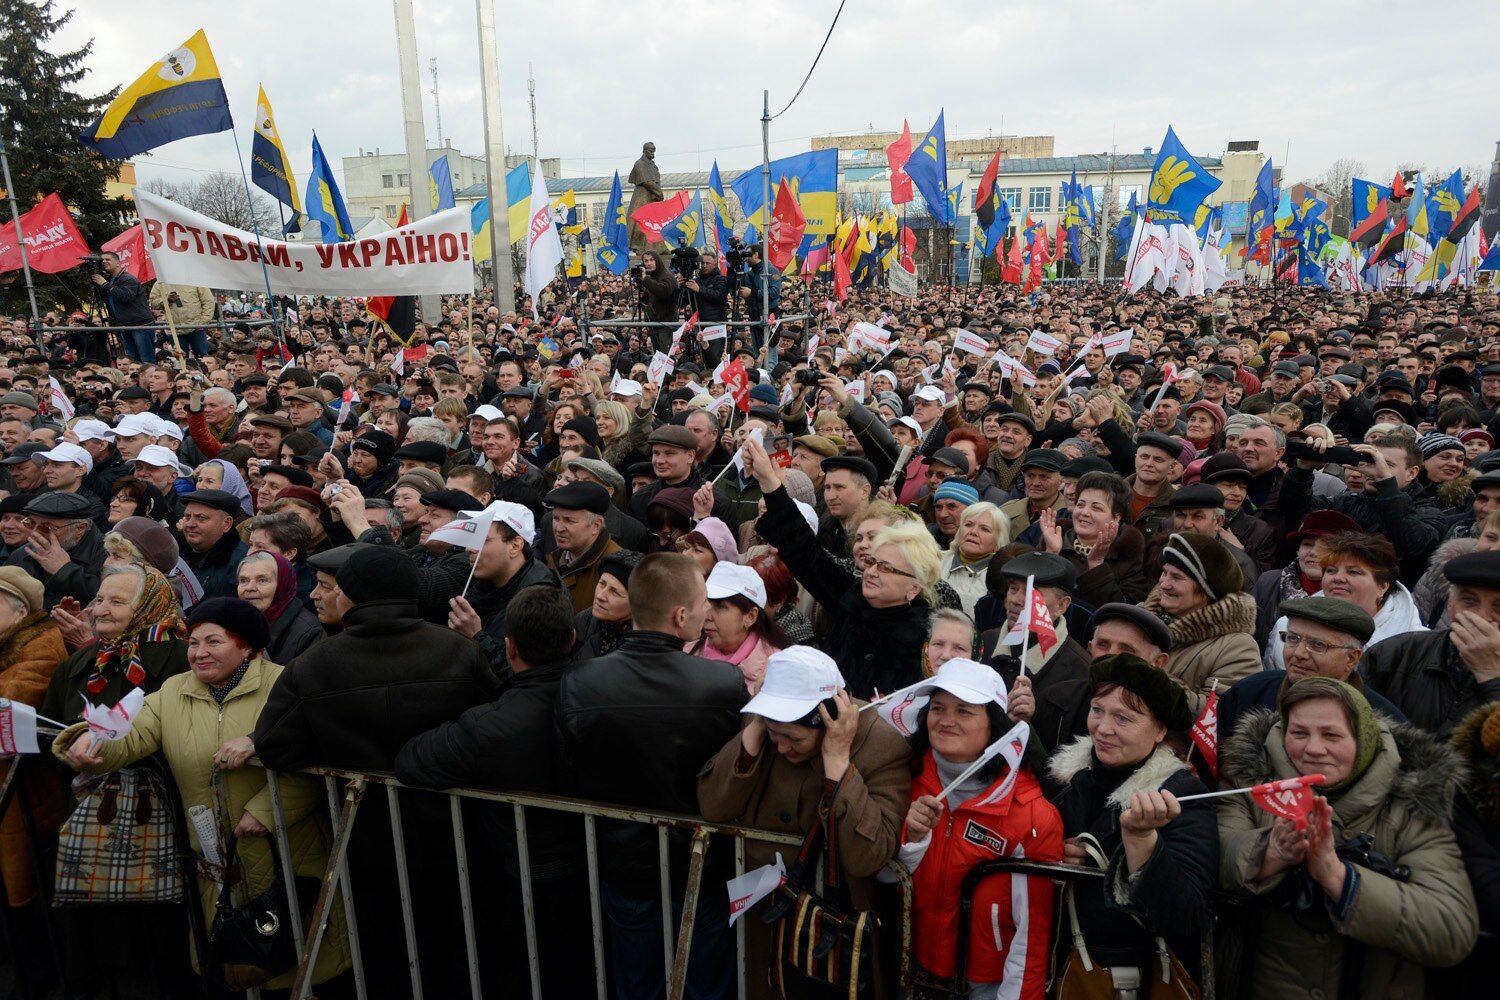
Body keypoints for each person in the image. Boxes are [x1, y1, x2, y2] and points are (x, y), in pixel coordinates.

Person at [56, 597, 353, 993]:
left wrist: (266, 811)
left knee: (296, 965)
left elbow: (314, 754)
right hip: (215, 864)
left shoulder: (284, 683)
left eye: (214, 642)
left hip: (286, 853)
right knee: (235, 967)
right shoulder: (175, 690)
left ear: (246, 646)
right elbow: (131, 732)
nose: (199, 653)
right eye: (194, 643)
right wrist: (89, 743)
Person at [254, 545, 500, 999]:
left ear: (352, 595)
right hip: (453, 834)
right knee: (455, 950)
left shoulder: (315, 664)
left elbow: (274, 745)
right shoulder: (457, 651)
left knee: (382, 954)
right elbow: (490, 725)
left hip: (363, 836)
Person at [557, 552, 746, 1000]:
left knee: (636, 981)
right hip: (698, 865)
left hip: (624, 863)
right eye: (704, 603)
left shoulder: (582, 681)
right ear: (681, 614)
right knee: (703, 983)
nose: (707, 614)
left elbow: (569, 768)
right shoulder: (722, 683)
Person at [1215, 678, 1479, 997]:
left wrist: (1339, 877)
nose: (1313, 748)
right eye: (1298, 733)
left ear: (1363, 739)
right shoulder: (1253, 782)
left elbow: (1450, 930)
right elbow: (1216, 857)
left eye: (1331, 735)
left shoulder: (1412, 804)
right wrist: (1270, 852)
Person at [395, 586, 594, 996]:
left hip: (523, 875)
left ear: (510, 646)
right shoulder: (601, 698)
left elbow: (412, 761)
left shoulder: (486, 725)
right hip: (591, 865)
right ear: (572, 639)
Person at [697, 646, 911, 1000]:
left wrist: (839, 765)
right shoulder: (766, 727)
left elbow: (867, 855)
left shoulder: (881, 745)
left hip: (833, 932)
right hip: (764, 919)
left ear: (827, 721)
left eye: (793, 739)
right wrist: (755, 733)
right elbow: (713, 805)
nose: (781, 748)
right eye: (775, 735)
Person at [896, 658, 1062, 999]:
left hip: (987, 985)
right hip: (910, 971)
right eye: (938, 708)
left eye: (964, 711)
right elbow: (883, 880)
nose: (946, 721)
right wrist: (912, 839)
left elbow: (1032, 937)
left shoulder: (1031, 815)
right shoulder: (903, 780)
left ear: (995, 725)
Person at [1047, 654, 1217, 985]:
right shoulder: (1061, 776)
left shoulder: (1182, 796)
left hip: (1127, 978)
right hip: (1050, 965)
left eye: (1123, 718)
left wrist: (1141, 842)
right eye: (1097, 710)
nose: (1103, 728)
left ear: (1160, 731)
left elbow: (1184, 914)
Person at [746, 435, 940, 699]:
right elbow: (805, 552)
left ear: (914, 587)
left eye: (885, 567)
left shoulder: (930, 637)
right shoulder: (851, 598)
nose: (870, 571)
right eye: (871, 562)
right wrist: (770, 482)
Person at [1362, 550, 1500, 737]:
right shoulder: (1395, 654)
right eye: (1469, 601)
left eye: (1498, 606)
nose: (1481, 616)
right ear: (1450, 605)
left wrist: (1491, 677)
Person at [0, 567, 66, 943]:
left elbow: (16, 697)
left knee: (28, 896)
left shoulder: (42, 643)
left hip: (27, 797)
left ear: (20, 612)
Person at [40, 563, 189, 726]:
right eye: (99, 600)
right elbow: (50, 736)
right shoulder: (74, 666)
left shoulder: (185, 662)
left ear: (149, 606)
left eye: (116, 602)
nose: (99, 611)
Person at [1263, 531, 1425, 669]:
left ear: (1382, 585)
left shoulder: (1417, 645)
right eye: (1331, 570)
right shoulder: (1286, 626)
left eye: (1353, 572)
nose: (1338, 578)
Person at [986, 552, 1093, 754]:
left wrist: (1030, 723)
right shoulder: (984, 643)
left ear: (1062, 605)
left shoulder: (1081, 671)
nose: (1016, 600)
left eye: (1031, 593)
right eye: (1013, 588)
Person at [1142, 532, 1260, 714]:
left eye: (1176, 577)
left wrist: (1147, 675)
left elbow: (1216, 715)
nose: (1164, 584)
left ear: (1207, 590)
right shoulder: (1139, 615)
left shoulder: (1238, 647)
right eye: (1164, 573)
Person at [446, 501, 562, 671]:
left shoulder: (540, 600)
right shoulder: (483, 584)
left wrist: (477, 637)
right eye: (473, 538)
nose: (469, 548)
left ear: (515, 546)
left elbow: (524, 676)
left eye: (483, 540)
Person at [1251, 510, 1362, 647]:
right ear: (1298, 550)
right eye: (1307, 544)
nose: (1313, 553)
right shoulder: (1269, 581)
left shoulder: (1352, 593)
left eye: (1326, 546)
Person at [1038, 470, 1149, 607]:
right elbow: (1031, 595)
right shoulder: (1053, 538)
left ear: (1116, 518)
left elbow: (1123, 609)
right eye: (1080, 504)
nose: (1084, 512)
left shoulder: (1129, 552)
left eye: (1096, 508)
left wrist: (1097, 566)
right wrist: (1051, 554)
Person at [686, 561, 788, 693]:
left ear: (750, 616)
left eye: (720, 607)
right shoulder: (687, 651)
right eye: (706, 603)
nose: (707, 616)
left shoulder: (775, 672)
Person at [6, 491, 107, 609]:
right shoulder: (23, 553)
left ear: (80, 528)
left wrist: (63, 570)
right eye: (31, 523)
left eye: (47, 527)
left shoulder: (108, 553)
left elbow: (104, 601)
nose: (34, 533)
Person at [543, 480, 622, 612]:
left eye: (569, 520)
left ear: (596, 526)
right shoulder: (554, 559)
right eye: (556, 518)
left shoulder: (615, 567)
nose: (559, 528)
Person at [236, 549, 324, 664]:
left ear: (283, 585)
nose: (250, 587)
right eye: (243, 580)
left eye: (262, 580)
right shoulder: (234, 623)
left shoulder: (310, 633)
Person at [939, 501, 1010, 618]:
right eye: (968, 525)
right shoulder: (936, 560)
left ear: (998, 542)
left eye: (984, 529)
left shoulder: (1001, 576)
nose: (973, 532)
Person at [176, 489, 249, 600]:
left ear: (226, 523)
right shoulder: (176, 554)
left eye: (201, 518)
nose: (190, 524)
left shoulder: (242, 563)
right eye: (187, 516)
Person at [573, 549, 641, 657]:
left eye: (614, 592)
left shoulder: (644, 645)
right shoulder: (582, 621)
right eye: (602, 584)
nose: (600, 596)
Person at [91, 250, 155, 362]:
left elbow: (126, 297)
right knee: (131, 360)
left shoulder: (128, 279)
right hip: (124, 325)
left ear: (117, 263)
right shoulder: (110, 280)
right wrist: (98, 285)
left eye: (108, 259)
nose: (104, 262)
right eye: (102, 260)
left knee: (146, 360)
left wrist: (104, 284)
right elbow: (103, 298)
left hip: (140, 325)